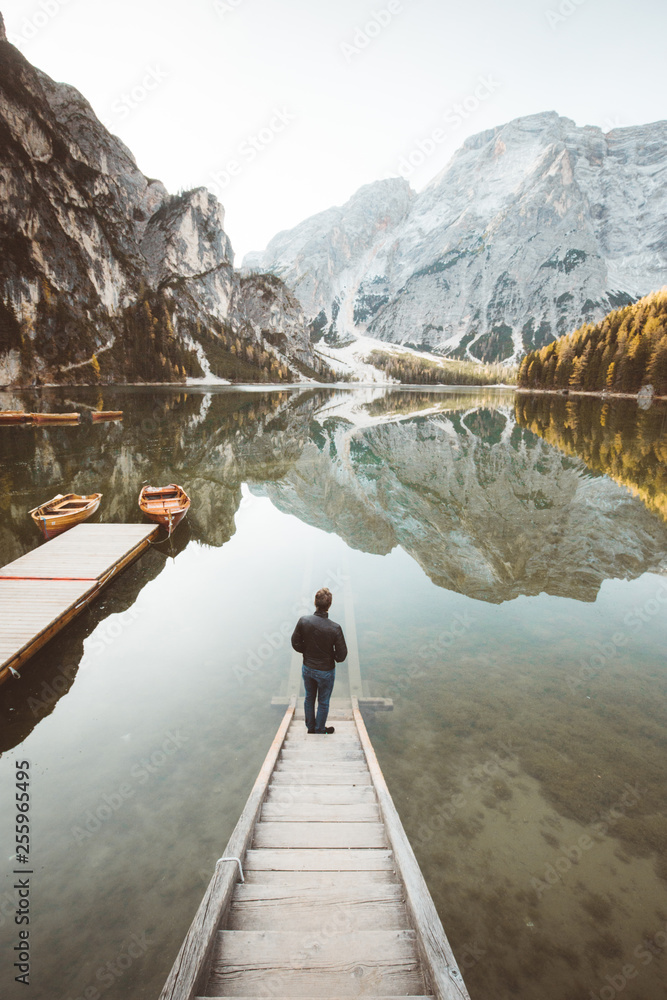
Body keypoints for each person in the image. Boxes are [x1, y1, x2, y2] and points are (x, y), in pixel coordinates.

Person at [291, 587, 347, 734]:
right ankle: (320, 729)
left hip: (308, 667)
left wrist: (307, 651)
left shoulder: (304, 621)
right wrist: (331, 656)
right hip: (326, 671)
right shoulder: (335, 628)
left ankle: (310, 728)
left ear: (315, 602)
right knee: (323, 701)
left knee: (309, 697)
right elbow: (342, 655)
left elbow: (295, 643)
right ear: (329, 605)